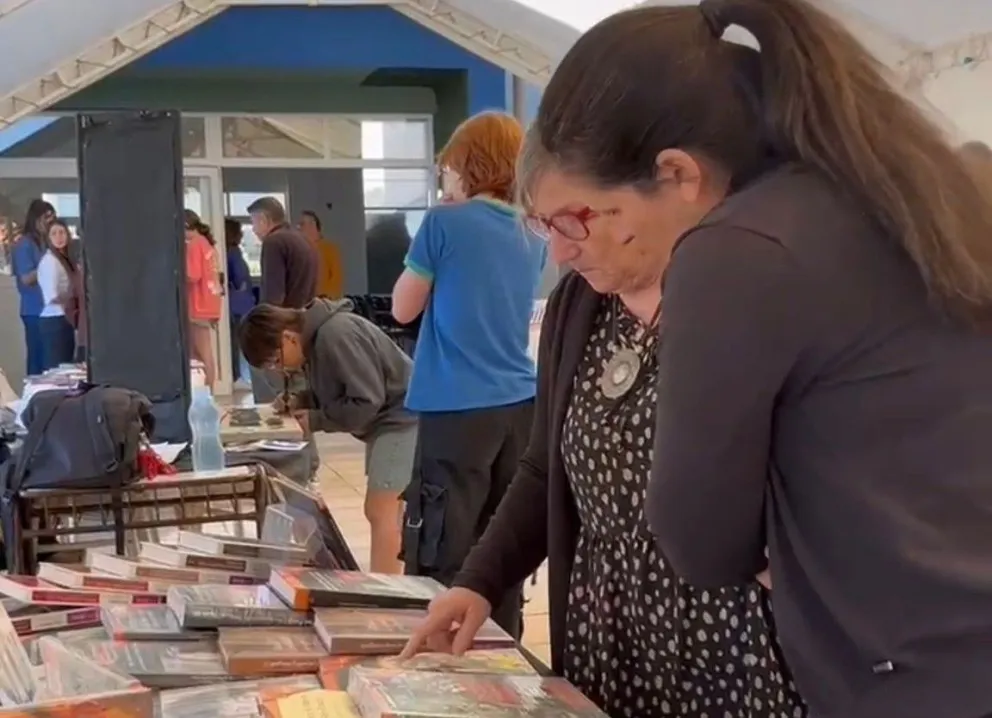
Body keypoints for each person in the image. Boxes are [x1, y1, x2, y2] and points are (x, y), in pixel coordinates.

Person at [408, 2, 992, 717]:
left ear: (677, 174)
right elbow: (545, 467)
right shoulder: (584, 306)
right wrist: (477, 579)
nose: (557, 250)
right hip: (618, 644)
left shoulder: (744, 269)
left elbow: (712, 537)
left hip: (758, 660)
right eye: (543, 225)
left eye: (573, 220)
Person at [391, 111, 547, 639]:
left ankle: (440, 663)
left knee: (442, 549)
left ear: (466, 166)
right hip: (520, 405)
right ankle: (503, 659)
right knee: (499, 549)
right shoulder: (533, 231)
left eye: (449, 168)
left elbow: (403, 309)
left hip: (456, 406)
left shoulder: (443, 223)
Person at [239, 300, 416, 574]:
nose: (281, 370)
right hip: (389, 419)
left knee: (383, 511)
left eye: (276, 361)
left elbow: (365, 400)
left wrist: (316, 419)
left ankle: (389, 591)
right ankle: (390, 582)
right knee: (384, 510)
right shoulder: (317, 340)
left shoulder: (336, 335)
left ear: (288, 338)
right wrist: (301, 399)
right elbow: (338, 389)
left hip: (403, 416)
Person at [248, 196, 317, 402]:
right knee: (296, 390)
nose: (253, 229)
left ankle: (274, 430)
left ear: (264, 219)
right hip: (303, 322)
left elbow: (273, 296)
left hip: (281, 327)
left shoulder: (274, 242)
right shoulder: (302, 239)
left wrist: (263, 332)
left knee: (262, 368)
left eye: (253, 223)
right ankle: (297, 431)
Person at [12, 200, 56, 376]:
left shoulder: (44, 243)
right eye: (47, 219)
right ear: (36, 219)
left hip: (49, 309)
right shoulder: (24, 245)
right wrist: (48, 265)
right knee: (38, 360)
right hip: (34, 310)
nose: (49, 224)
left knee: (50, 361)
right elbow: (26, 278)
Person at [184, 209, 223, 390]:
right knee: (202, 351)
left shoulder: (194, 244)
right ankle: (204, 391)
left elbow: (192, 275)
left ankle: (206, 392)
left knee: (201, 352)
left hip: (198, 304)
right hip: (210, 303)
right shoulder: (207, 244)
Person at [36, 219, 77, 370]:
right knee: (56, 370)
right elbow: (51, 296)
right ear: (48, 238)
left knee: (66, 367)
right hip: (54, 320)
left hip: (65, 319)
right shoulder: (50, 262)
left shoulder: (65, 260)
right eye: (54, 234)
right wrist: (74, 296)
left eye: (62, 232)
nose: (59, 237)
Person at [225, 218, 255, 388]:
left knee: (236, 342)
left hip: (239, 303)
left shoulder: (232, 252)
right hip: (239, 304)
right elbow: (239, 278)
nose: (243, 234)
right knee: (238, 343)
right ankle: (237, 377)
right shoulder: (233, 253)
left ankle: (238, 376)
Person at [299, 209, 343, 298]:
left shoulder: (329, 249)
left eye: (302, 224)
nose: (299, 227)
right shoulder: (299, 250)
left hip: (324, 301)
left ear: (313, 225)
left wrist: (327, 298)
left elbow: (336, 278)